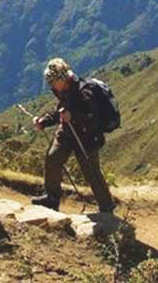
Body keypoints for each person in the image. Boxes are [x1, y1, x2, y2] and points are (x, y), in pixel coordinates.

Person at [31, 58, 116, 213]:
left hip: (87, 137)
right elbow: (60, 111)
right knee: (53, 158)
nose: (51, 85)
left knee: (91, 172)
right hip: (67, 132)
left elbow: (92, 118)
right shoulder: (61, 88)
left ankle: (107, 206)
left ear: (61, 79)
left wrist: (73, 116)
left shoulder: (84, 91)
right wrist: (43, 121)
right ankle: (52, 198)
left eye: (52, 81)